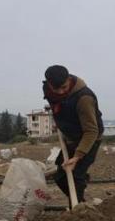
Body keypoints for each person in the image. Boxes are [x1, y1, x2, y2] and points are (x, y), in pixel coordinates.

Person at [42, 65, 103, 207]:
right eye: (56, 89)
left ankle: (77, 210)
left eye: (64, 87)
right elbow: (57, 106)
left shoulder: (84, 98)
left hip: (89, 139)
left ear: (69, 79)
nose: (61, 91)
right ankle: (81, 202)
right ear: (50, 85)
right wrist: (60, 122)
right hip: (70, 137)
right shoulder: (49, 90)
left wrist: (77, 157)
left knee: (75, 177)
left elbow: (91, 131)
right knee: (60, 175)